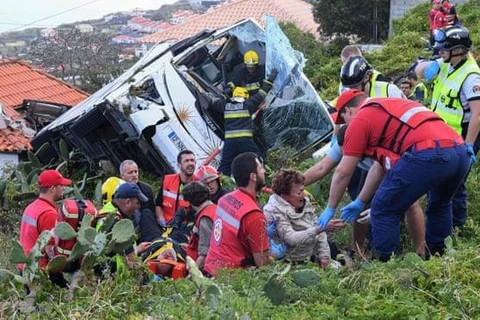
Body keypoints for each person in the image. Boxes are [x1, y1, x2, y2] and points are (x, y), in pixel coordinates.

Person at [317, 89, 470, 261]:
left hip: (429, 152)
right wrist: (360, 201)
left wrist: (330, 208)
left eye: (344, 119)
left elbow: (343, 172)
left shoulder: (360, 119)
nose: (346, 125)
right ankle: (438, 257)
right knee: (440, 204)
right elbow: (379, 168)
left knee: (383, 209)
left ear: (349, 110)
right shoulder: (388, 109)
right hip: (460, 150)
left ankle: (387, 265)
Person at [304, 125, 425, 255]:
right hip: (372, 171)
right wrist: (291, 184)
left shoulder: (379, 149)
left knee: (410, 204)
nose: (346, 155)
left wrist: (379, 206)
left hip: (395, 167)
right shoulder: (342, 143)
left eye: (348, 152)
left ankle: (421, 250)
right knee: (360, 204)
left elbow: (389, 180)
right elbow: (321, 168)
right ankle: (357, 250)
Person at [416, 26, 480, 229]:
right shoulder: (446, 64)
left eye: (444, 49)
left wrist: (469, 146)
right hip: (442, 136)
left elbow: (478, 114)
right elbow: (417, 70)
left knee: (455, 184)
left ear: (459, 49)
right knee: (439, 181)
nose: (440, 53)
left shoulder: (471, 77)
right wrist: (425, 66)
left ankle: (457, 227)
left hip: (462, 137)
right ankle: (442, 225)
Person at [204, 152, 270, 276]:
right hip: (234, 279)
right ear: (253, 177)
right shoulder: (254, 216)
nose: (264, 171)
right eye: (261, 168)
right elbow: (263, 265)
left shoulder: (224, 200)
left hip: (211, 269)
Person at [208, 69, 277, 175]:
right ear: (245, 97)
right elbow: (262, 93)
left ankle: (222, 183)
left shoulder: (226, 106)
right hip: (245, 141)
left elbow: (213, 101)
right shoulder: (248, 105)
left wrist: (224, 92)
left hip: (230, 143)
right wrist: (271, 79)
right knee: (257, 158)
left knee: (225, 165)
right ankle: (261, 179)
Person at [263, 169, 330, 268]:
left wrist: (324, 255)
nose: (304, 195)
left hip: (311, 255)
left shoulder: (305, 201)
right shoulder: (273, 210)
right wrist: (319, 229)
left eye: (303, 190)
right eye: (299, 193)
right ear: (285, 196)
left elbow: (317, 224)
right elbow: (291, 238)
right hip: (289, 262)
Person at [19, 170, 72, 287]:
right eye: (61, 185)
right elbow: (50, 250)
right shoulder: (49, 214)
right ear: (52, 189)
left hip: (25, 267)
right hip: (40, 272)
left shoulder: (31, 207)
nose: (63, 188)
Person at [154, 150, 196, 226]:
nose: (190, 163)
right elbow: (158, 205)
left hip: (183, 227)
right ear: (179, 165)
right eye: (186, 161)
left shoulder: (198, 184)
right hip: (165, 223)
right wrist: (161, 219)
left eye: (192, 161)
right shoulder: (168, 180)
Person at [184, 182, 217, 270]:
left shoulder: (205, 219)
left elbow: (204, 254)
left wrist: (191, 277)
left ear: (192, 202)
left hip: (203, 267)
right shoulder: (215, 209)